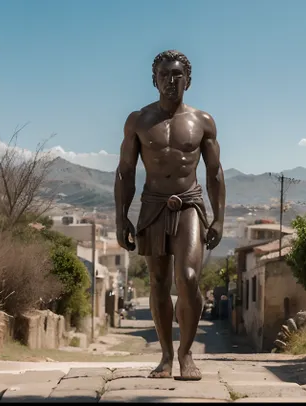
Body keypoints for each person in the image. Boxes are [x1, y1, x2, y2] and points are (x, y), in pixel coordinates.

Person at [114, 50, 226, 381]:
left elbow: (215, 172)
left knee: (189, 278)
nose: (171, 81)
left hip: (190, 203)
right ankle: (165, 356)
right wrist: (121, 218)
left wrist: (218, 217)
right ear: (154, 79)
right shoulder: (138, 120)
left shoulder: (203, 121)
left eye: (178, 75)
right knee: (159, 281)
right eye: (165, 75)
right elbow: (125, 171)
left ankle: (186, 353)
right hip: (153, 205)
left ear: (188, 80)